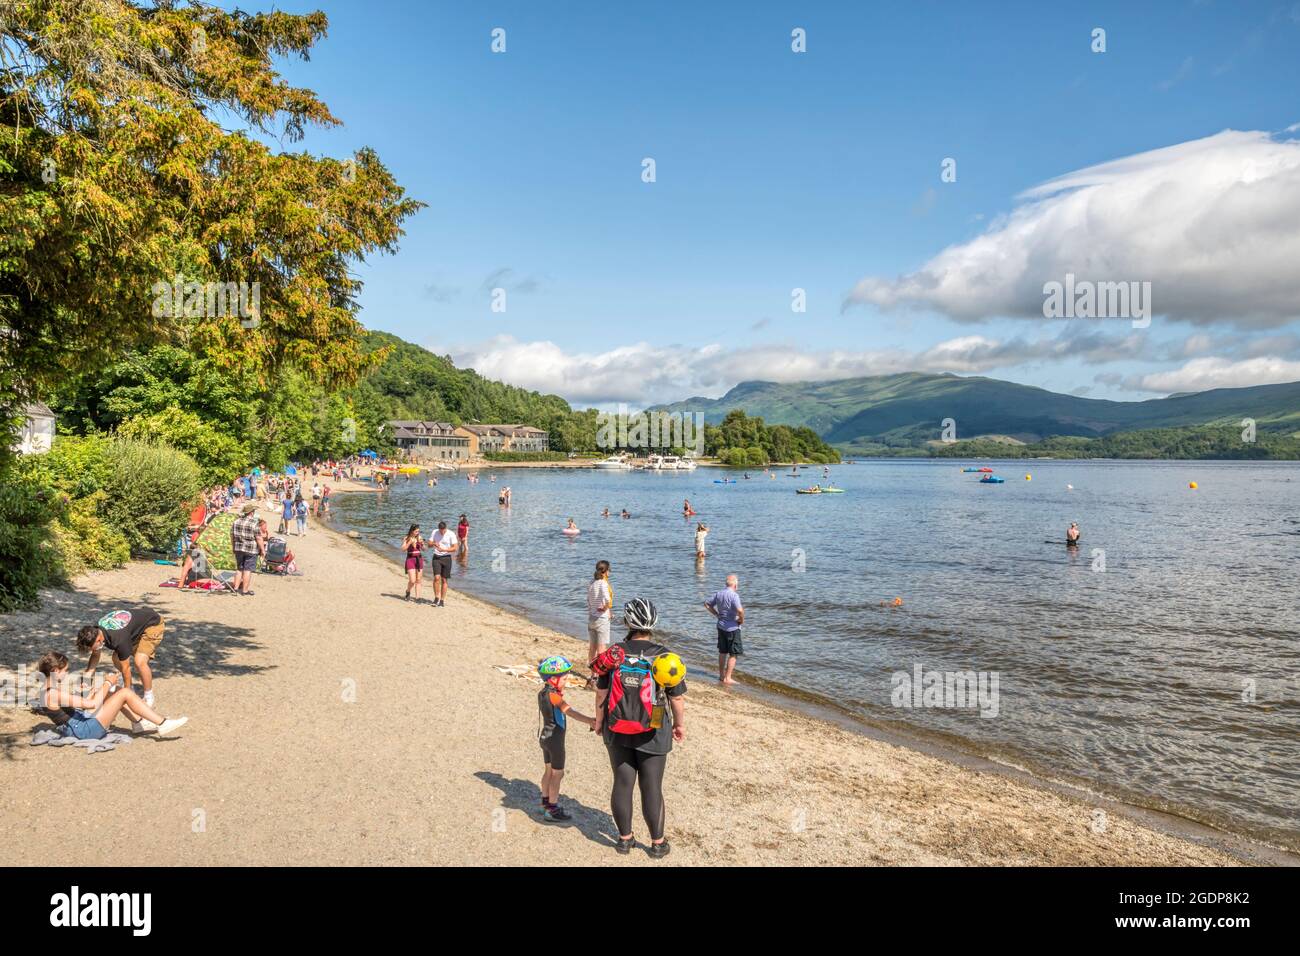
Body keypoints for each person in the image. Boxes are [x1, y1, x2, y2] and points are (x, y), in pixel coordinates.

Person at [594, 599, 686, 859]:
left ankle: (624, 840)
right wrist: (679, 725)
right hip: (654, 729)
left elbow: (601, 690)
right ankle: (657, 844)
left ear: (627, 622)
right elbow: (676, 698)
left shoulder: (614, 653)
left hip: (617, 726)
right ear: (653, 622)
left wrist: (599, 720)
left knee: (622, 783)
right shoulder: (665, 655)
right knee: (652, 786)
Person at [36, 652, 188, 739]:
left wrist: (95, 692)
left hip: (77, 723)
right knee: (125, 693)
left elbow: (77, 706)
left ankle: (138, 723)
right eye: (65, 670)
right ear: (56, 671)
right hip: (83, 730)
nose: (67, 673)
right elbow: (91, 705)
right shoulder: (52, 693)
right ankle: (162, 724)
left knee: (114, 693)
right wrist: (107, 683)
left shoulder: (47, 689)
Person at [536, 655, 596, 823]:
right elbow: (570, 712)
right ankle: (553, 809)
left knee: (548, 771)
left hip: (545, 737)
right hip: (555, 739)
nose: (566, 680)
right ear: (553, 679)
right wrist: (590, 720)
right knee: (558, 774)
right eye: (563, 677)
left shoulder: (543, 693)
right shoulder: (555, 697)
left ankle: (544, 803)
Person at [75, 607, 168, 708]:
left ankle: (148, 696)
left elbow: (126, 668)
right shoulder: (96, 631)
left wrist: (126, 695)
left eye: (92, 648)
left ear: (98, 640)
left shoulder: (118, 639)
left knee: (139, 661)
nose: (93, 650)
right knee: (116, 658)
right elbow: (95, 657)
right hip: (135, 627)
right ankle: (131, 689)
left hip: (153, 624)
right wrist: (87, 678)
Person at [705, 574, 744, 685]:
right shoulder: (734, 596)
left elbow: (707, 604)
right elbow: (740, 611)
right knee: (733, 653)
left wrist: (717, 614)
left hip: (721, 626)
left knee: (722, 651)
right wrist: (741, 620)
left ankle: (721, 675)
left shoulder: (719, 594)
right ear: (735, 585)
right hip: (733, 628)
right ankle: (728, 677)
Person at [230, 502, 262, 596]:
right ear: (251, 512)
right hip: (250, 549)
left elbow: (232, 535)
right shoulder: (254, 523)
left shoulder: (236, 521)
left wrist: (233, 546)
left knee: (239, 569)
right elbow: (259, 538)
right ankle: (244, 590)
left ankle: (235, 588)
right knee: (247, 569)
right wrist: (263, 550)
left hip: (238, 547)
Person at [586, 560, 613, 668]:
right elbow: (607, 599)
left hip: (592, 618)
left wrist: (595, 610)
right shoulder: (603, 583)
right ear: (606, 571)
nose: (609, 573)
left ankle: (593, 673)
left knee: (592, 648)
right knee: (601, 649)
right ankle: (598, 675)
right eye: (609, 570)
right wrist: (606, 608)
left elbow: (588, 600)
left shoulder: (592, 582)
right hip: (601, 619)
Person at [429, 520, 457, 607]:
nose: (442, 532)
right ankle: (436, 597)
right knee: (436, 578)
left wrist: (444, 550)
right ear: (438, 529)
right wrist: (434, 543)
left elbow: (455, 548)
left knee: (444, 580)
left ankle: (442, 600)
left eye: (443, 530)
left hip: (447, 558)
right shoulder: (435, 532)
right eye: (440, 530)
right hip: (436, 557)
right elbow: (429, 544)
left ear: (446, 528)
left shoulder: (451, 534)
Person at [402, 524, 425, 602]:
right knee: (412, 580)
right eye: (416, 531)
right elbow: (403, 549)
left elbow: (425, 549)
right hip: (410, 559)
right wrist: (409, 543)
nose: (417, 533)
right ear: (412, 531)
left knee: (418, 580)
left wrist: (422, 544)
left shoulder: (419, 538)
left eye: (418, 531)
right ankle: (408, 591)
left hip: (419, 559)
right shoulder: (406, 538)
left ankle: (417, 597)